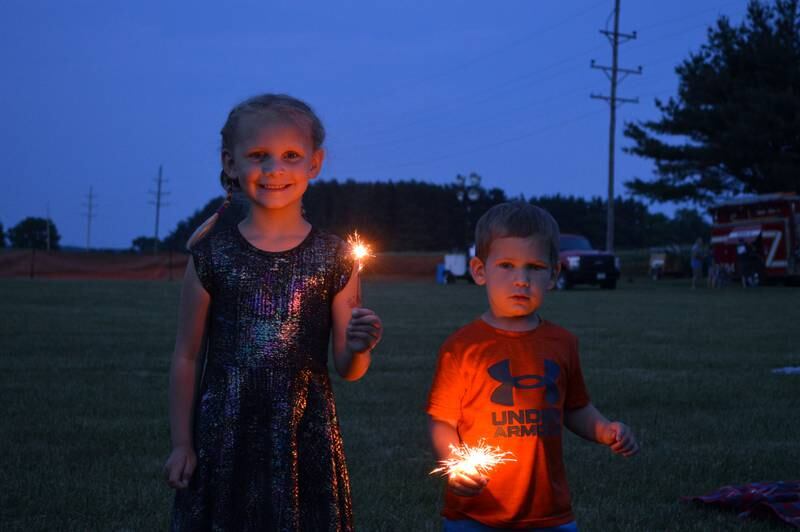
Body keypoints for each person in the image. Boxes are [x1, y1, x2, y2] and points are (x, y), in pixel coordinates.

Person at [163, 94, 382, 531]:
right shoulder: (211, 255)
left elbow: (348, 368)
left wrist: (359, 347)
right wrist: (182, 444)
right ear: (231, 163)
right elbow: (187, 356)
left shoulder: (337, 258)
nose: (274, 169)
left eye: (291, 156)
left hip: (304, 434)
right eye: (258, 155)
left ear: (315, 163)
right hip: (223, 433)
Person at [427, 202, 639, 531]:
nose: (521, 280)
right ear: (480, 271)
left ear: (553, 274)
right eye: (507, 266)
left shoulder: (562, 343)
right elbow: (442, 421)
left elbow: (574, 407)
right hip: (475, 514)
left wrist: (605, 430)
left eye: (535, 267)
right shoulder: (462, 347)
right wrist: (455, 463)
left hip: (548, 513)